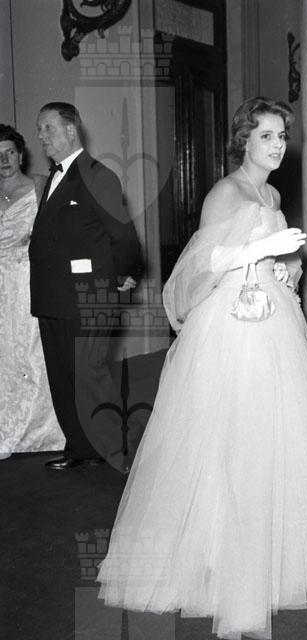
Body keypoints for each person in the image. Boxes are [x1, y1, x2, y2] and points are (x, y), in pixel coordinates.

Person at [97, 97, 307, 639]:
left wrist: (285, 266)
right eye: (266, 135)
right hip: (231, 326)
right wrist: (258, 250)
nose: (277, 145)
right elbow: (203, 263)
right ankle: (217, 562)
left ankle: (273, 557)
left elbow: (273, 256)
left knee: (274, 434)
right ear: (243, 140)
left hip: (273, 319)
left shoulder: (271, 194)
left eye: (281, 136)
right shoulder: (225, 192)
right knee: (229, 435)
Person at [29, 102, 142, 470]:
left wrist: (123, 275)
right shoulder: (54, 177)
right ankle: (81, 447)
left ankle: (120, 454)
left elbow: (123, 236)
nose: (41, 136)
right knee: (63, 378)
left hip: (89, 296)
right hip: (52, 298)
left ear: (70, 130)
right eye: (39, 129)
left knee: (89, 377)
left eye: (47, 128)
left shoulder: (98, 175)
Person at [0, 124, 64, 458]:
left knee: (28, 350)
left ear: (21, 155)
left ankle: (38, 429)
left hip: (26, 280)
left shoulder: (39, 186)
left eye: (9, 152)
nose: (4, 160)